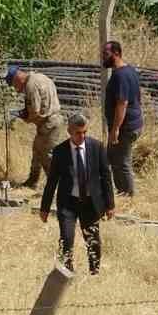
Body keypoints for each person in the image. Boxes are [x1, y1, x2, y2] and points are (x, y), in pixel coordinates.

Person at [39, 113, 116, 275]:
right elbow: (52, 181)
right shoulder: (60, 151)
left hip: (90, 202)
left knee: (93, 240)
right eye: (77, 133)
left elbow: (106, 177)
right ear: (69, 131)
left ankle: (94, 272)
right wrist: (44, 207)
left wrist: (110, 205)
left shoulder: (97, 147)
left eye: (84, 132)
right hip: (68, 203)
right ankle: (66, 273)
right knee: (66, 239)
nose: (81, 136)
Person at [6, 65, 63, 189]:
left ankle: (56, 184)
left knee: (46, 154)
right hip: (52, 120)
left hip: (49, 122)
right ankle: (32, 181)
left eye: (15, 86)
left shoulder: (30, 86)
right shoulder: (40, 77)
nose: (17, 90)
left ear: (17, 79)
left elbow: (35, 112)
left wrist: (23, 117)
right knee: (37, 151)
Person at [101, 40, 144, 198]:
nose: (103, 57)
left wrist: (115, 130)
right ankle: (121, 192)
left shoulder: (120, 75)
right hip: (130, 124)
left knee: (121, 162)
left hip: (125, 127)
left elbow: (122, 103)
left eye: (106, 54)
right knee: (113, 158)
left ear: (116, 53)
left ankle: (128, 196)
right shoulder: (129, 70)